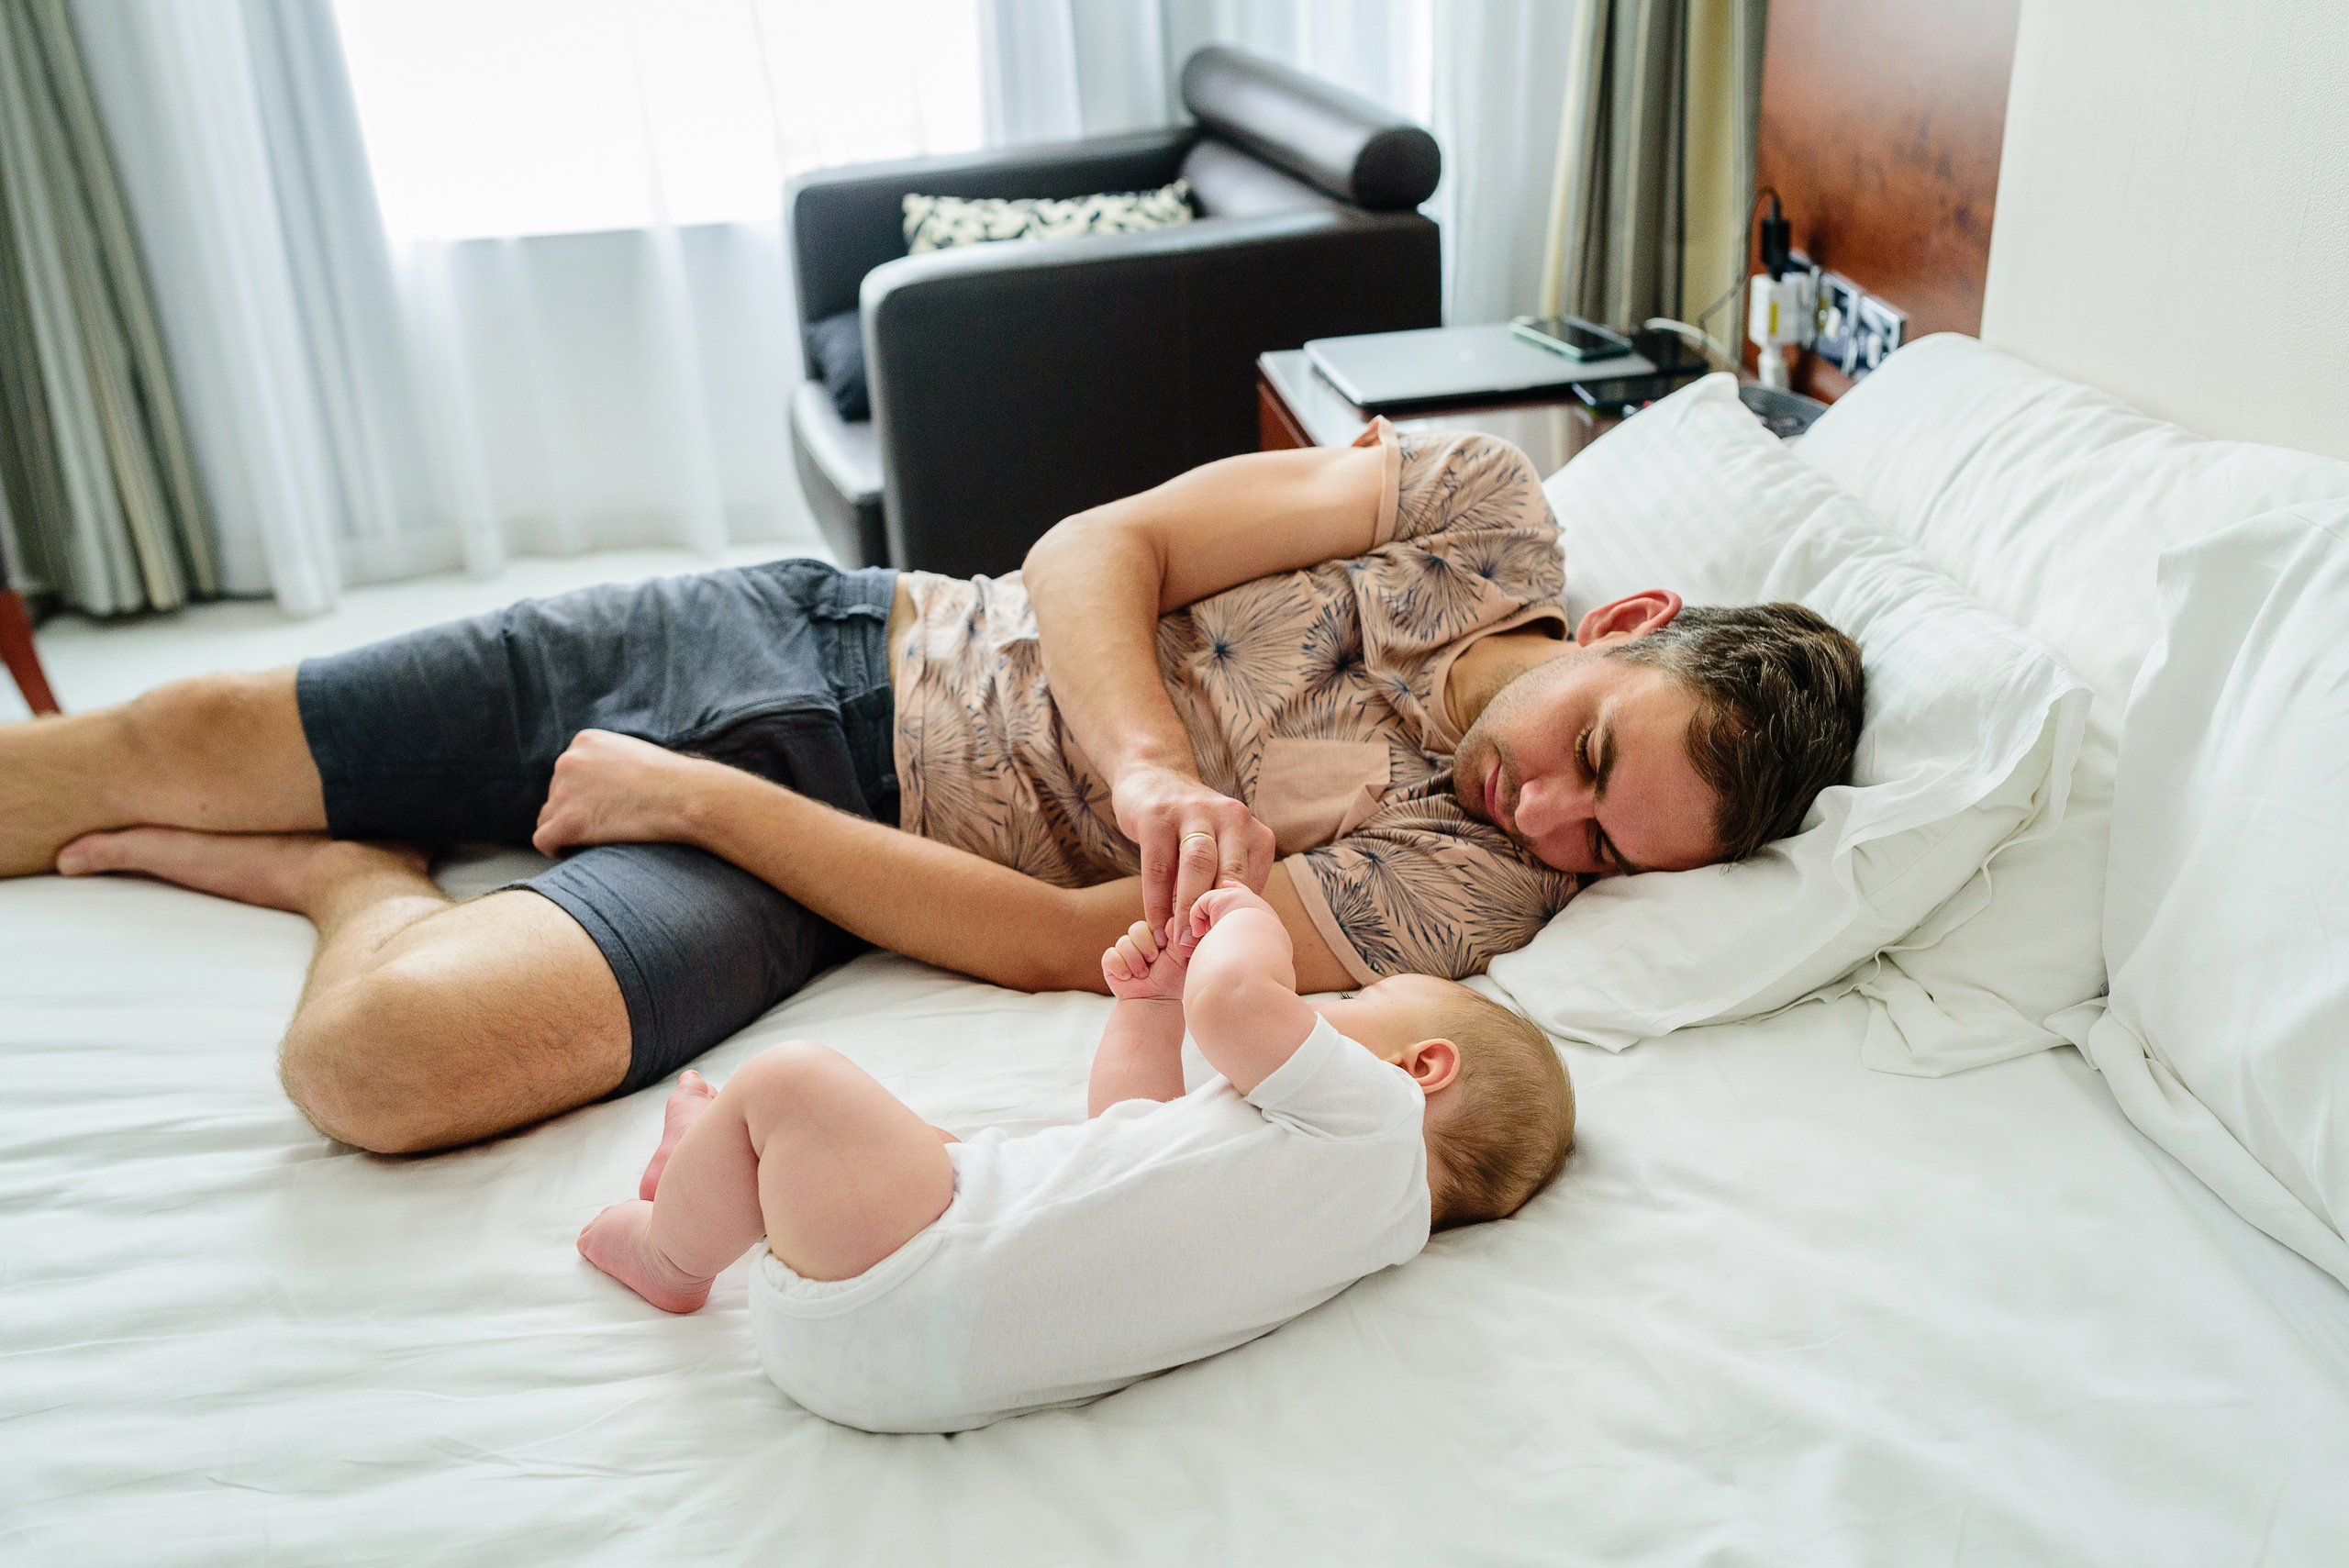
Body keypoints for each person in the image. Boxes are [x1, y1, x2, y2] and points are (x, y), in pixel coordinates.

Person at [0, 422, 1864, 1153]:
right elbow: (1097, 542)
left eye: (1605, 846)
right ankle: (357, 820)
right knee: (144, 741)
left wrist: (711, 810)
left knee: (378, 1069)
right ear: (1624, 619)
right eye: (1590, 759)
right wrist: (1145, 763)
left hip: (832, 864)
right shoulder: (1474, 507)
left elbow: (1071, 944)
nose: (1545, 820)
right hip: (801, 640)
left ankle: (357, 875)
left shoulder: (1478, 897)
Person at [575, 880, 1575, 1433]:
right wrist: (1143, 1010)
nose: (1317, 1013)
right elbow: (1123, 1141)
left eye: (1352, 1005)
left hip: (898, 1284)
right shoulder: (1365, 1224)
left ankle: (674, 1248)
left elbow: (1231, 1004)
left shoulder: (1379, 1116)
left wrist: (1254, 922)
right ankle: (725, 1176)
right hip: (916, 1366)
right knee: (961, 1156)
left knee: (790, 1080)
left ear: (1423, 1066)